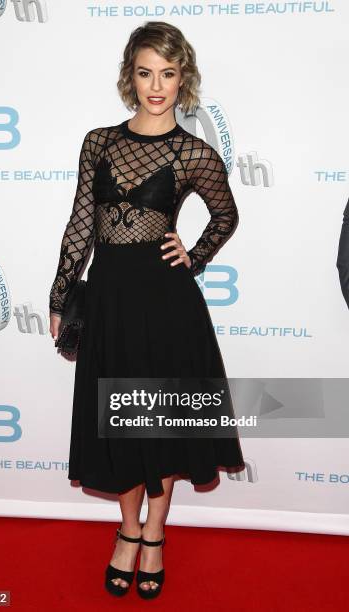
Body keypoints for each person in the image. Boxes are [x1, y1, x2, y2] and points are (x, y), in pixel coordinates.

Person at [49, 21, 245, 600]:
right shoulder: (98, 142)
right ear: (129, 77)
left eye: (167, 73)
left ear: (182, 78)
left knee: (155, 423)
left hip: (166, 302)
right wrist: (62, 293)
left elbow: (226, 215)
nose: (155, 85)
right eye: (144, 72)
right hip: (109, 299)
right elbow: (80, 224)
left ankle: (155, 533)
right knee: (118, 424)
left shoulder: (192, 152)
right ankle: (128, 530)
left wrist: (196, 253)